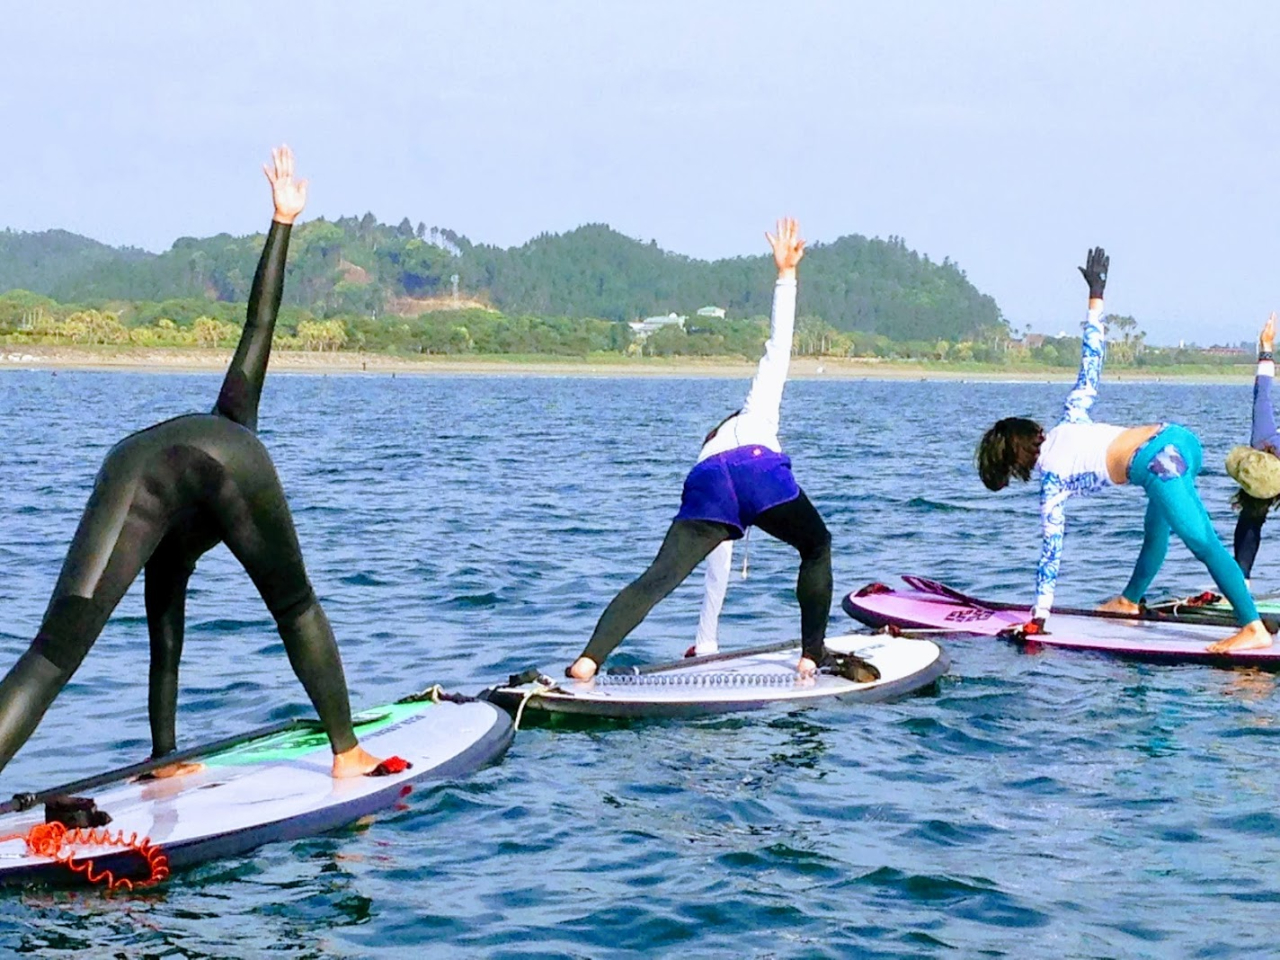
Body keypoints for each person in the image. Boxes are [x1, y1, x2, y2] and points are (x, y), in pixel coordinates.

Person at [0, 146, 396, 780]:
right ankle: (347, 751)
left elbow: (166, 643)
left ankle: (163, 756)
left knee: (50, 656)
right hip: (206, 461)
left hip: (126, 466)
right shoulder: (233, 433)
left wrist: (282, 219)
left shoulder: (164, 538)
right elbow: (259, 324)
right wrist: (283, 222)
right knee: (295, 606)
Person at [566, 218, 835, 680]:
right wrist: (786, 276)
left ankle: (587, 660)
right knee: (816, 545)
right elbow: (779, 347)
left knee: (658, 578)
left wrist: (707, 636)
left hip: (706, 484)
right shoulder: (756, 412)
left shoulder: (708, 450)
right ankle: (812, 653)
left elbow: (718, 561)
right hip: (759, 468)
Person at [975, 247, 1270, 653]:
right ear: (1037, 432)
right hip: (1180, 440)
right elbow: (1091, 358)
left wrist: (1039, 615)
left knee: (1204, 544)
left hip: (1159, 463)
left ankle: (1252, 627)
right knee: (1156, 528)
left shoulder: (1053, 484)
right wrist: (1096, 294)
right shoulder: (1071, 417)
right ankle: (1130, 600)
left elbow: (1050, 554)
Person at [1226, 313, 1280, 581]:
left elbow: (1262, 392)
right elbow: (1262, 393)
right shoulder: (1265, 436)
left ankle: (1241, 578)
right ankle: (1240, 577)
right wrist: (1266, 348)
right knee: (1252, 515)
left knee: (1252, 516)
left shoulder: (1263, 437)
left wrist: (1266, 347)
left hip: (1267, 465)